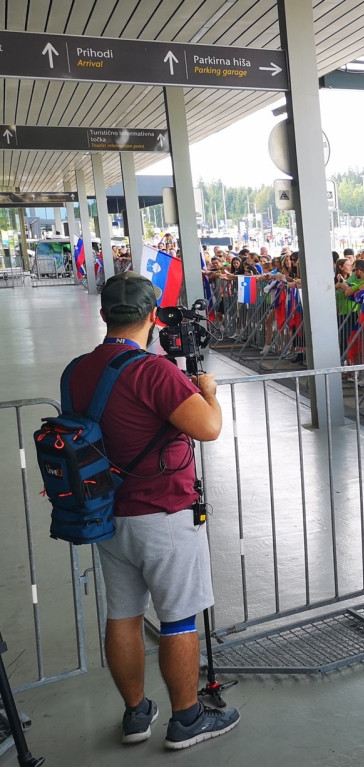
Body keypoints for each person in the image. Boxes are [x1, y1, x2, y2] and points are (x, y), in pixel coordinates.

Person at [69, 273, 239, 749]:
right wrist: (207, 392)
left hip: (107, 512)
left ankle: (136, 713)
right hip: (163, 512)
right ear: (152, 317)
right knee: (179, 618)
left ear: (104, 314)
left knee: (123, 614)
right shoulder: (155, 372)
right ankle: (187, 718)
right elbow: (208, 428)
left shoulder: (77, 370)